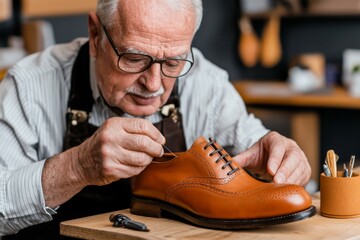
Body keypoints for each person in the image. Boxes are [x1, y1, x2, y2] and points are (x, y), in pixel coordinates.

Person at [0, 0, 311, 238]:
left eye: (173, 63)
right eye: (134, 59)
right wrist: (78, 166)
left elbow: (257, 149)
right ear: (95, 35)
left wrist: (278, 161)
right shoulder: (30, 86)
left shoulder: (205, 81)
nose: (154, 83)